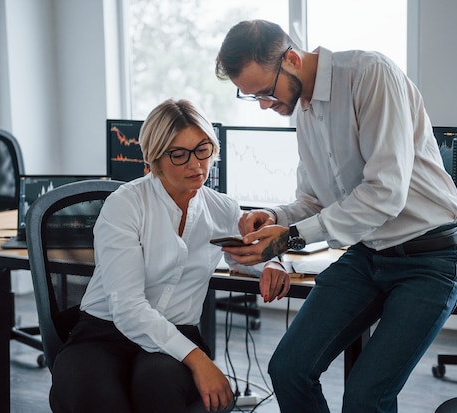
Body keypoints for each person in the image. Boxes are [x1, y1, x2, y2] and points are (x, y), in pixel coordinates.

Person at [215, 20, 457, 412]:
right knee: (288, 368)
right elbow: (316, 200)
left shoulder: (370, 75)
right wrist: (274, 216)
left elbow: (384, 193)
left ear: (293, 59)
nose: (266, 106)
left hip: (430, 258)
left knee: (366, 395)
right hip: (369, 255)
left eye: (265, 92)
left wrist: (290, 237)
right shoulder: (302, 112)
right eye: (254, 98)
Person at [48, 98, 290, 413]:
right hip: (104, 332)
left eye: (203, 149)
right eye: (179, 154)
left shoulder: (223, 208)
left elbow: (246, 250)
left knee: (159, 386)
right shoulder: (126, 205)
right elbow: (129, 309)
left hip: (177, 332)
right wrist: (200, 362)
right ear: (155, 158)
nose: (196, 165)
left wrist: (272, 262)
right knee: (87, 391)